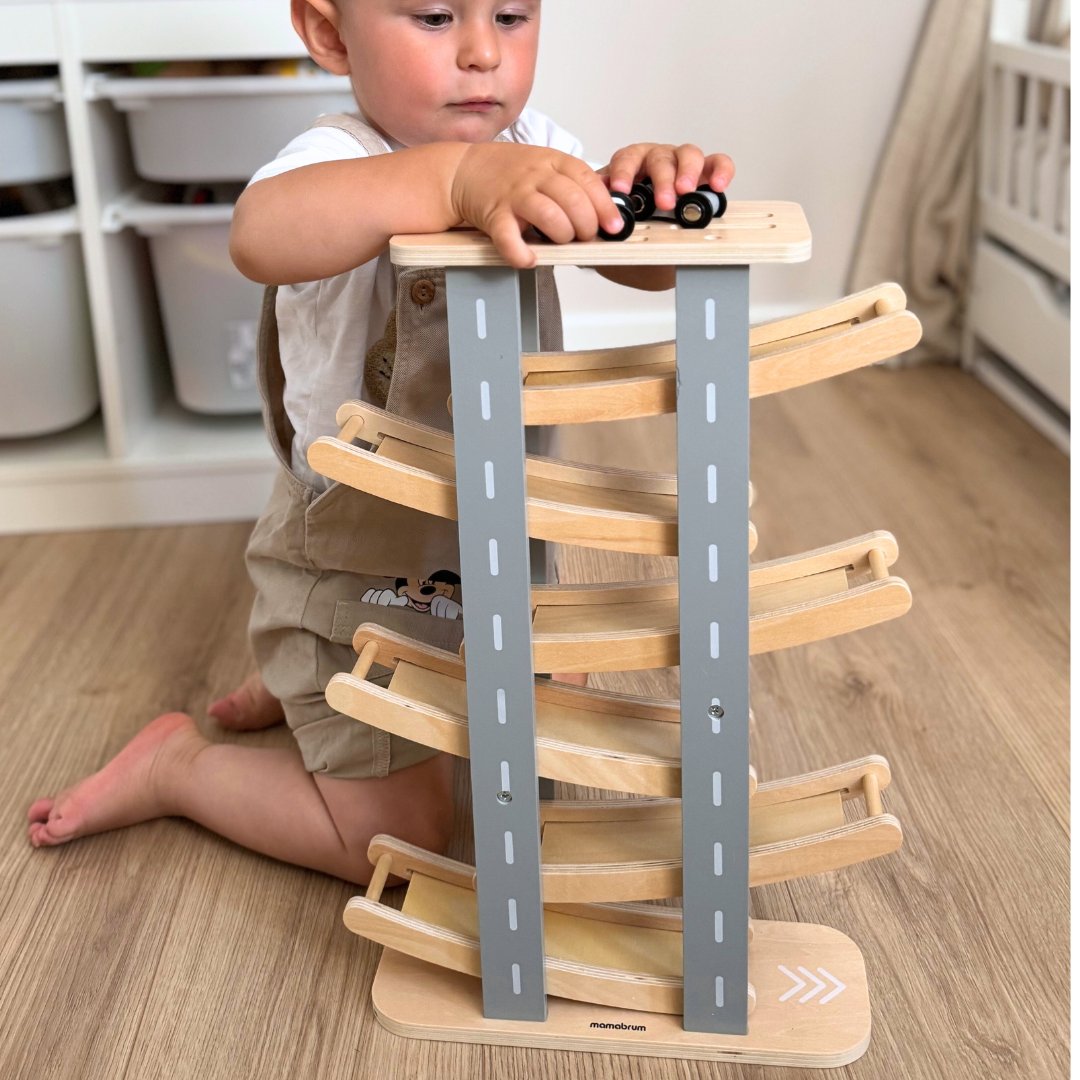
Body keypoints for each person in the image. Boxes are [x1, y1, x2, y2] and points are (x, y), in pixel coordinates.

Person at [27, 0, 734, 885]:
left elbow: (643, 264)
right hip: (354, 563)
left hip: (498, 536)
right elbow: (259, 234)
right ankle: (181, 766)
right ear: (331, 34)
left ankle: (305, 685)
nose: (482, 53)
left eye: (511, 16)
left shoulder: (536, 146)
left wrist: (652, 194)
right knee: (398, 838)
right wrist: (454, 181)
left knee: (544, 693)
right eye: (435, 17)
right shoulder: (336, 155)